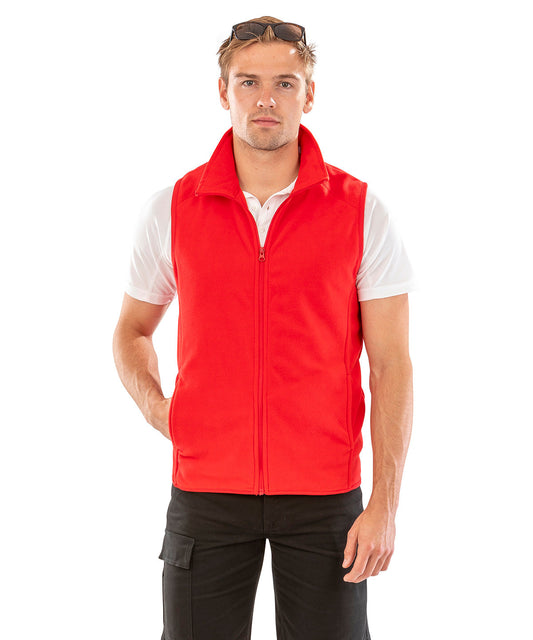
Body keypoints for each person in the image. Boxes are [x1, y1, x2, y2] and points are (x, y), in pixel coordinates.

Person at [112, 16, 415, 640]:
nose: (266, 99)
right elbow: (132, 329)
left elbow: (392, 364)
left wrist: (385, 503)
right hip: (206, 490)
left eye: (285, 83)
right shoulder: (172, 209)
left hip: (325, 494)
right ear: (223, 91)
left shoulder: (362, 211)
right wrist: (159, 410)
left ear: (310, 94)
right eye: (248, 82)